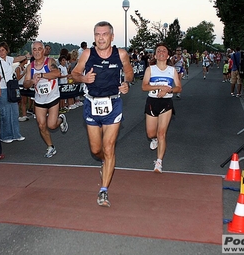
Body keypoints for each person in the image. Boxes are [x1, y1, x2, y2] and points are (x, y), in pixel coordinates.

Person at [71, 21, 134, 207]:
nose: (101, 37)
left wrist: (126, 83)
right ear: (94, 37)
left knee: (108, 148)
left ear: (112, 37)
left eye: (104, 34)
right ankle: (105, 164)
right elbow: (74, 73)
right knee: (96, 150)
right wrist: (83, 78)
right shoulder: (87, 53)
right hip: (92, 104)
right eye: (97, 34)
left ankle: (103, 191)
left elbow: (129, 72)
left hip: (113, 103)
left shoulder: (120, 54)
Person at [23, 41, 68, 158]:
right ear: (32, 52)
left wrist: (42, 75)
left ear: (43, 51)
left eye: (39, 49)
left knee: (52, 125)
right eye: (34, 50)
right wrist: (32, 81)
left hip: (52, 97)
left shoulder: (50, 62)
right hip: (39, 100)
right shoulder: (30, 67)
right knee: (42, 125)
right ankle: (50, 147)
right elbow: (25, 84)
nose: (37, 52)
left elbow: (57, 73)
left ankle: (61, 119)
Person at [142, 43, 182, 173]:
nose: (161, 52)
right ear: (155, 55)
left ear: (167, 55)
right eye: (158, 50)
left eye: (163, 51)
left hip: (166, 103)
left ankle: (158, 163)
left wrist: (168, 91)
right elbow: (144, 87)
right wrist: (159, 88)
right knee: (151, 133)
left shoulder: (172, 70)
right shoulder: (150, 69)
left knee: (162, 133)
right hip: (152, 102)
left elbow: (179, 88)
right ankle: (154, 139)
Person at [0, 42, 26, 143]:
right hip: (2, 88)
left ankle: (16, 134)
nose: (1, 52)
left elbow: (17, 59)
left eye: (3, 50)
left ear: (6, 50)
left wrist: (26, 56)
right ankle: (5, 135)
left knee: (14, 111)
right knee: (5, 113)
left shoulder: (8, 59)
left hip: (10, 88)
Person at [16, 56, 30, 122]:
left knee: (24, 101)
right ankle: (17, 115)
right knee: (18, 102)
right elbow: (18, 78)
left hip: (24, 86)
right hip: (18, 87)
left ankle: (24, 115)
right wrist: (24, 72)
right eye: (26, 60)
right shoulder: (18, 68)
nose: (27, 61)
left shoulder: (24, 68)